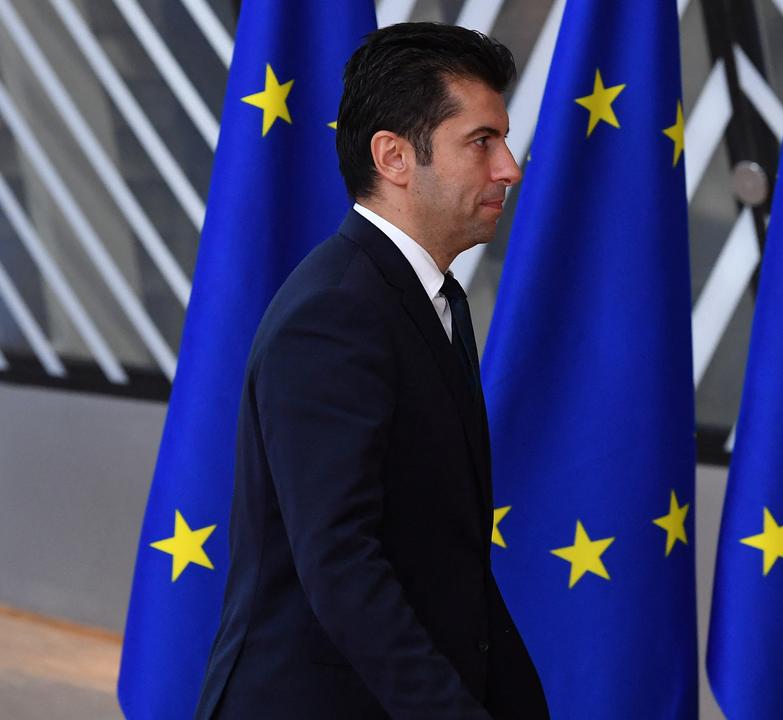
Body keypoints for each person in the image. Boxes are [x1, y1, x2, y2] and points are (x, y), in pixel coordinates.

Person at [195, 23, 547, 719]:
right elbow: (340, 562)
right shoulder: (334, 313)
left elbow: (447, 558)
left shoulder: (430, 298)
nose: (508, 166)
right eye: (482, 141)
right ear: (392, 156)